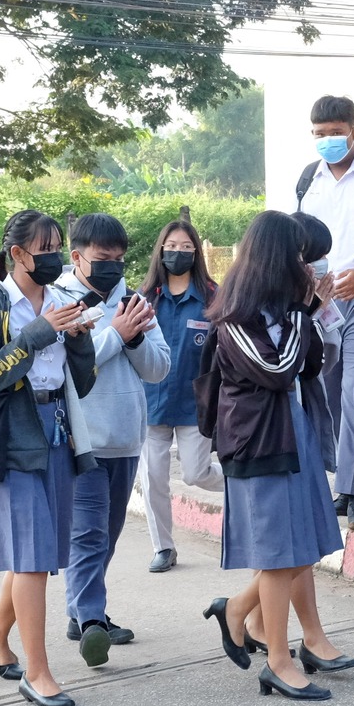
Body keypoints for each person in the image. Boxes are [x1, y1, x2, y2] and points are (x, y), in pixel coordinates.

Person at [196, 211, 353, 701]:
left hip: (289, 435)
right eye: (300, 258)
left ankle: (238, 611)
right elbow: (277, 369)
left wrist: (309, 314)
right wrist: (306, 313)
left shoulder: (281, 310)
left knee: (296, 548)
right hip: (258, 443)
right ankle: (278, 661)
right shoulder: (236, 317)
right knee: (281, 552)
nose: (307, 267)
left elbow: (310, 365)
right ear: (277, 259)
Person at [0, 210, 96, 706]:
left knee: (35, 552)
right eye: (45, 250)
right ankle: (37, 674)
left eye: (58, 246)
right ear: (17, 255)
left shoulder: (62, 299)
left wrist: (79, 340)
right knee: (34, 557)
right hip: (10, 439)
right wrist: (37, 333)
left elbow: (80, 382)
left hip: (57, 431)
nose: (55, 258)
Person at [54, 213, 169, 668]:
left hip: (125, 437)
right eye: (103, 258)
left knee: (110, 534)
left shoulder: (135, 301)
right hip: (80, 439)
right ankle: (91, 620)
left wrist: (135, 337)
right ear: (77, 257)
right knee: (88, 534)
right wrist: (116, 336)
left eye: (120, 259)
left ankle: (80, 610)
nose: (113, 267)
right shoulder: (58, 301)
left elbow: (159, 368)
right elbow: (66, 366)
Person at [296, 95, 354, 531]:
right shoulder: (307, 180)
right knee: (328, 394)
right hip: (322, 303)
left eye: (335, 132)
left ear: (353, 129)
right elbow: (299, 244)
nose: (328, 140)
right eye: (320, 133)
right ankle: (341, 484)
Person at [137, 219, 222, 573]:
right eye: (172, 247)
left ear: (196, 252)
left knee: (196, 473)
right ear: (161, 250)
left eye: (186, 247)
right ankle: (164, 548)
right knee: (152, 477)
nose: (178, 253)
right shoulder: (144, 298)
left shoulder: (212, 297)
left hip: (195, 404)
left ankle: (245, 479)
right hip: (152, 402)